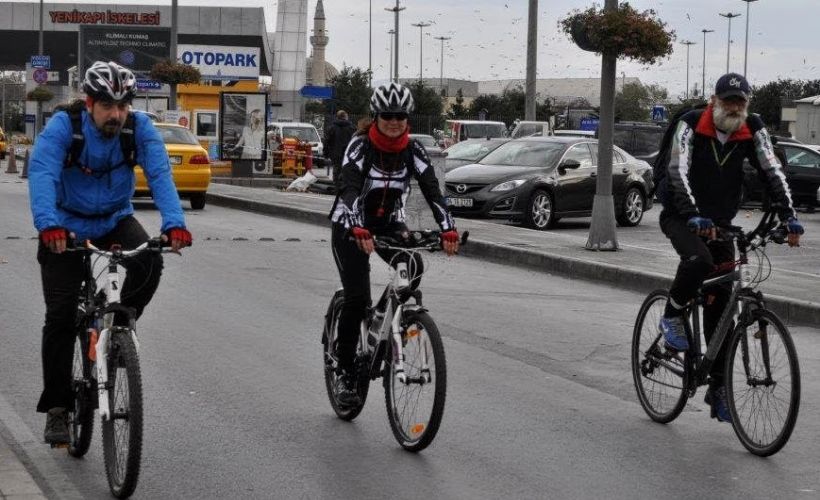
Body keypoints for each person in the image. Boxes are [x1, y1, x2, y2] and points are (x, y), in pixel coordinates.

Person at [28, 60, 192, 445]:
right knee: (60, 317)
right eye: (107, 106)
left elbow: (159, 174)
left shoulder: (139, 129)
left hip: (115, 219)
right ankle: (57, 408)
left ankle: (118, 325)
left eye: (123, 106)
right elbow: (43, 173)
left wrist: (174, 223)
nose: (116, 114)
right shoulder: (64, 128)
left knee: (150, 261)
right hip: (66, 224)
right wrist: (48, 224)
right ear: (89, 104)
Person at [657, 72, 804, 423]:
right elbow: (678, 170)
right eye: (728, 101)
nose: (734, 107)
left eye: (740, 102)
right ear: (715, 99)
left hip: (720, 224)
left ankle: (718, 387)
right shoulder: (692, 124)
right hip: (682, 215)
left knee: (722, 307)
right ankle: (672, 316)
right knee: (697, 260)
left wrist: (789, 216)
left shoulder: (751, 129)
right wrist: (692, 215)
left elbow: (772, 169)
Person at [328, 82, 459, 405]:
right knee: (357, 299)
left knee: (412, 266)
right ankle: (345, 371)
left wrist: (448, 229)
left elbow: (432, 190)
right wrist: (358, 227)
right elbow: (348, 189)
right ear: (376, 116)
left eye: (400, 115)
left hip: (388, 224)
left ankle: (396, 322)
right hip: (351, 226)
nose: (394, 121)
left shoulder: (412, 151)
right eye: (387, 115)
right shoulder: (360, 147)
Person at [324, 109, 357, 188]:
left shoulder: (332, 128)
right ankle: (346, 187)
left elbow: (327, 141)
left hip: (335, 154)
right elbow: (356, 141)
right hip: (349, 154)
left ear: (337, 117)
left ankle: (337, 187)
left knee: (336, 170)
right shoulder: (352, 128)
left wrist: (326, 153)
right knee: (348, 171)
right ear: (345, 117)